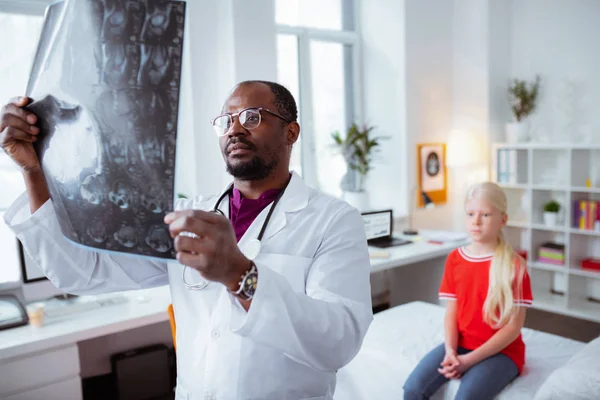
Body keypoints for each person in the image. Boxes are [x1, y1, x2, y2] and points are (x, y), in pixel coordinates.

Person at [1, 80, 373, 399]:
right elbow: (85, 272)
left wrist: (240, 276)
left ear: (291, 132)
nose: (235, 130)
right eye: (226, 121)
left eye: (252, 118)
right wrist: (34, 172)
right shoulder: (187, 216)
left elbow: (338, 342)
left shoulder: (334, 220)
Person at [403, 182, 533, 400]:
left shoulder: (514, 265)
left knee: (466, 397)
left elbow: (513, 327)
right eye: (470, 214)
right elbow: (451, 313)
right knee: (413, 389)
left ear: (503, 220)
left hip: (503, 353)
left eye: (485, 215)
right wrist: (451, 352)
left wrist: (468, 361)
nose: (476, 221)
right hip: (460, 346)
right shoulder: (455, 259)